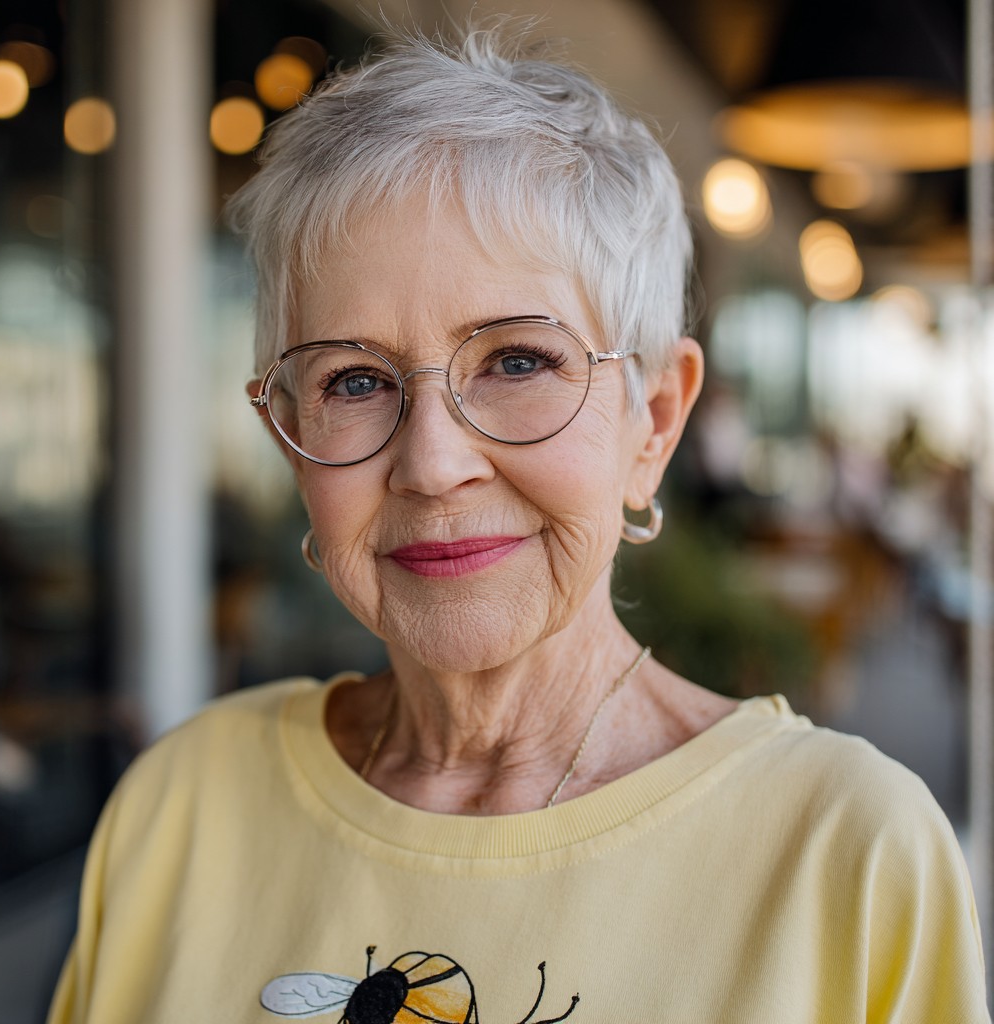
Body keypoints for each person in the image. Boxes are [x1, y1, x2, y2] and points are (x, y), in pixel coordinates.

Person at [48, 25, 990, 1024]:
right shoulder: (180, 806)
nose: (432, 464)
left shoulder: (841, 854)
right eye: (355, 380)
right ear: (288, 434)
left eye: (516, 362)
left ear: (654, 420)